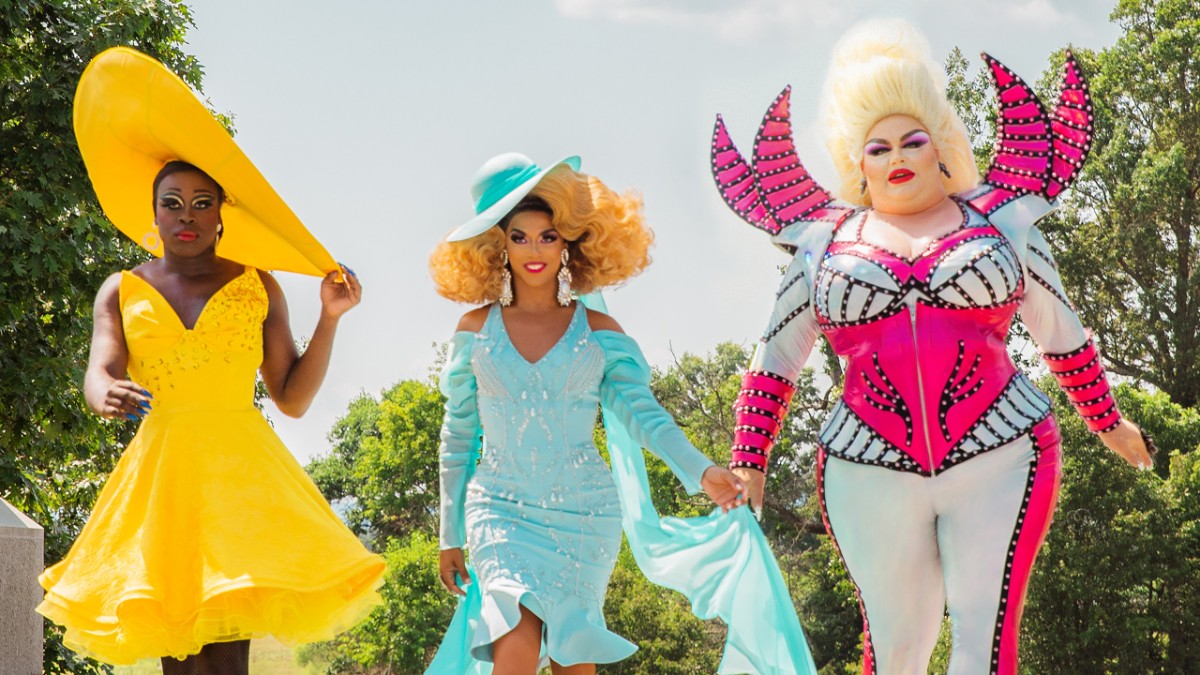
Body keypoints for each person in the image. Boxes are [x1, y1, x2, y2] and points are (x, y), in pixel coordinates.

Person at [709, 19, 1154, 675]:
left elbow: (1061, 332)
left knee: (984, 642)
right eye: (878, 147)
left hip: (1002, 448)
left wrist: (1108, 422)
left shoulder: (1004, 222)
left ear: (940, 148)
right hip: (867, 461)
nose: (897, 157)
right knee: (895, 649)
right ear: (858, 163)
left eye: (912, 141)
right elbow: (774, 359)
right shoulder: (820, 244)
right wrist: (750, 457)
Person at [37, 48, 385, 673]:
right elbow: (100, 370)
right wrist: (102, 392)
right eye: (172, 202)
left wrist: (329, 318)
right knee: (179, 659)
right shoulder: (121, 289)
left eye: (203, 202)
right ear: (152, 214)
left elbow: (291, 398)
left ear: (223, 215)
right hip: (164, 483)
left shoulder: (258, 285)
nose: (187, 215)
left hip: (241, 485)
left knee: (226, 661)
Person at [426, 153, 816, 674]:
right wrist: (449, 536)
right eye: (519, 237)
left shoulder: (599, 334)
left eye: (547, 236)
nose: (534, 250)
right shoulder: (475, 332)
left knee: (573, 661)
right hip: (499, 511)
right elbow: (457, 438)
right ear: (500, 246)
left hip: (582, 516)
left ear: (567, 243)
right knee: (513, 648)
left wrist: (703, 472)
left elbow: (645, 417)